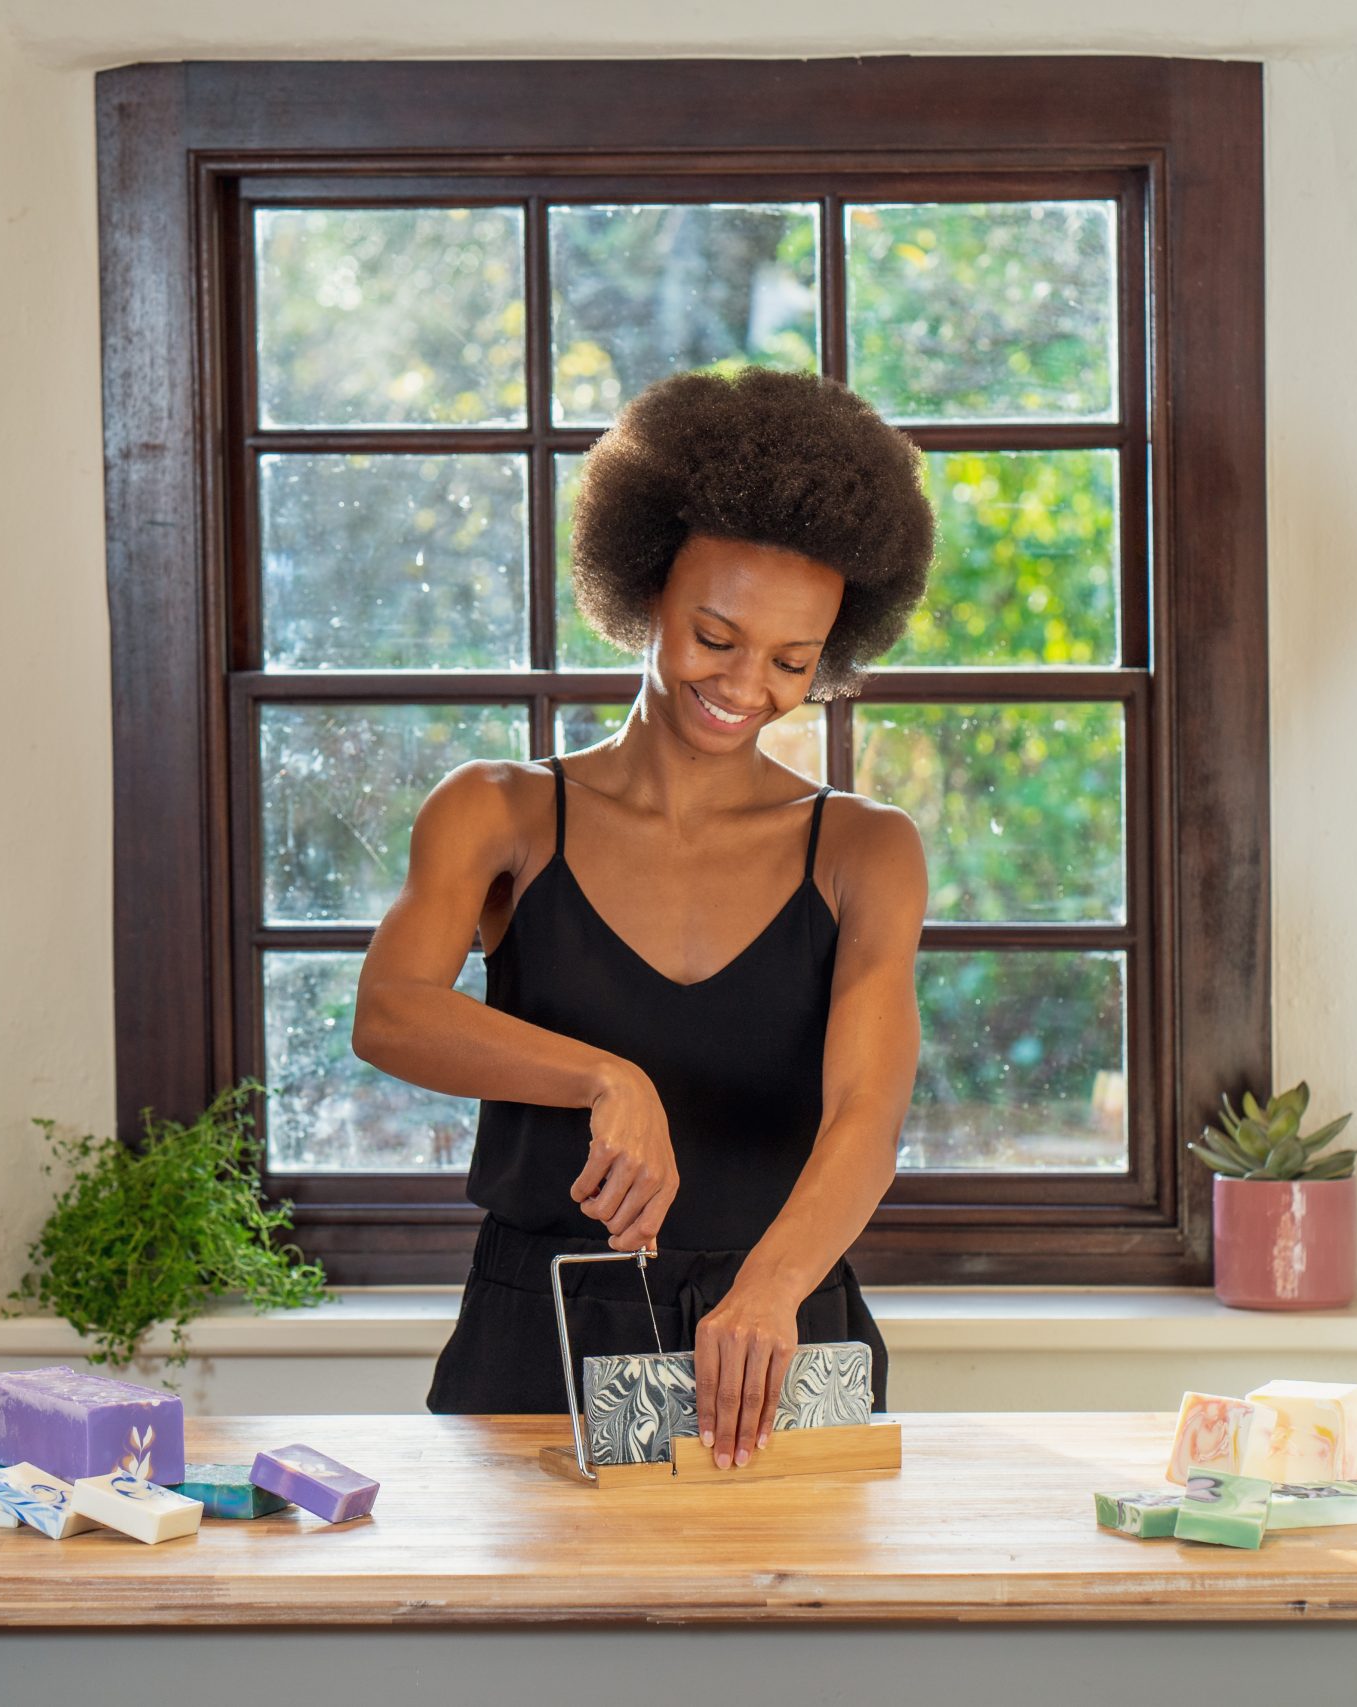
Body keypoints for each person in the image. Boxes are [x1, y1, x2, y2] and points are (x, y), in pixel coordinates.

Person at [351, 367, 933, 1468]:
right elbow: (389, 1013)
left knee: (797, 1633)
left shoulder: (865, 849)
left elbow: (867, 1113)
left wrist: (768, 1292)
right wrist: (607, 1079)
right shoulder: (499, 811)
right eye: (716, 636)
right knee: (519, 1636)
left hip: (777, 1333)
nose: (745, 684)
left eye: (791, 662)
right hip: (541, 1322)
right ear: (645, 585)